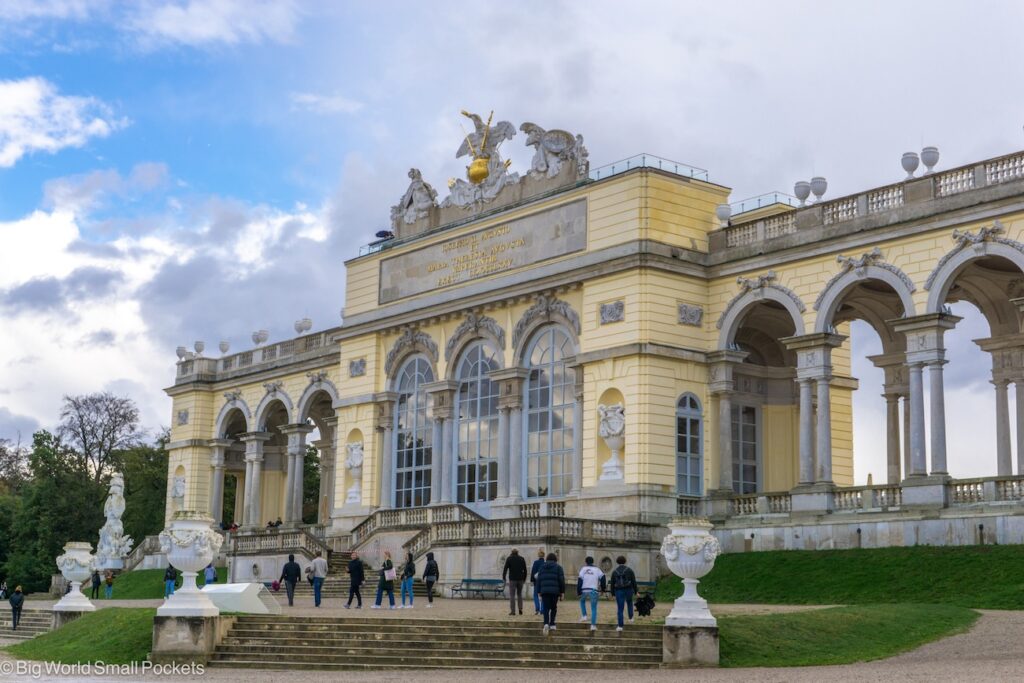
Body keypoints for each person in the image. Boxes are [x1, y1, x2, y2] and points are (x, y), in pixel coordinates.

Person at [535, 552, 565, 634]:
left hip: (544, 591)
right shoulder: (558, 568)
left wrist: (538, 591)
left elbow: (539, 580)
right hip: (555, 591)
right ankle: (552, 623)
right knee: (554, 607)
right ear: (555, 559)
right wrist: (562, 592)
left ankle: (546, 623)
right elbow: (561, 580)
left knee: (546, 608)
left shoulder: (542, 567)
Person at [577, 556, 606, 631]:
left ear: (586, 562)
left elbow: (580, 580)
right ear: (593, 561)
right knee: (593, 608)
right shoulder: (597, 569)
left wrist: (578, 591)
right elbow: (603, 578)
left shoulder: (583, 569)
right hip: (593, 590)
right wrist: (603, 589)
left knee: (582, 601)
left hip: (584, 589)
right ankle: (593, 625)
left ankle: (584, 616)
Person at [610, 555, 638, 632]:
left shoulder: (614, 571)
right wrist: (636, 591)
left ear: (617, 562)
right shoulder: (629, 570)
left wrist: (612, 594)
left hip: (619, 591)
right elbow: (633, 581)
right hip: (629, 589)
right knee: (629, 603)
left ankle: (620, 626)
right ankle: (631, 617)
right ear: (625, 561)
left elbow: (612, 583)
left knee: (620, 608)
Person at [502, 548, 528, 616]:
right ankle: (520, 608)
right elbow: (525, 570)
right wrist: (524, 578)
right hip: (520, 579)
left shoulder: (509, 559)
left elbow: (505, 569)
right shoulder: (522, 559)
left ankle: (513, 611)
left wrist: (504, 577)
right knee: (519, 594)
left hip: (512, 579)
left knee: (512, 595)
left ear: (512, 552)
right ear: (517, 552)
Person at [530, 548, 545, 615]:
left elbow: (533, 572)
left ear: (538, 555)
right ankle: (542, 610)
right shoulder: (545, 563)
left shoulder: (536, 562)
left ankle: (537, 609)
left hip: (536, 581)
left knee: (535, 595)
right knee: (543, 596)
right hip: (543, 581)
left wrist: (532, 580)